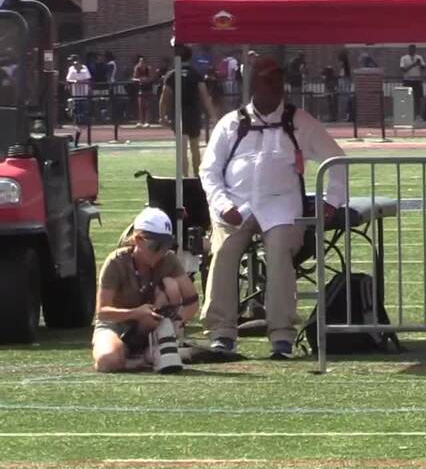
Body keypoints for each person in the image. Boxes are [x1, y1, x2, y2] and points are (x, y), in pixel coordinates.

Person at [199, 56, 347, 359]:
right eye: (268, 80)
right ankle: (221, 332)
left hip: (282, 207)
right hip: (235, 205)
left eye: (279, 80)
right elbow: (209, 171)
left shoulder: (300, 122)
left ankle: (281, 335)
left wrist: (331, 201)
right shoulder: (230, 123)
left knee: (279, 252)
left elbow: (337, 160)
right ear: (254, 84)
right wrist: (222, 204)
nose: (276, 86)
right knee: (224, 251)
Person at [92, 208, 200, 373]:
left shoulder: (169, 260)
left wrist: (176, 323)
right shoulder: (116, 262)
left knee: (170, 285)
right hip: (116, 323)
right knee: (108, 360)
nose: (161, 252)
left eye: (167, 245)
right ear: (138, 240)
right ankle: (140, 357)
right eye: (156, 246)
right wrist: (136, 313)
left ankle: (152, 348)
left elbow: (192, 300)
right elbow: (102, 313)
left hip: (150, 325)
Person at [160, 44, 219, 177]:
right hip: (193, 114)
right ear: (190, 57)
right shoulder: (195, 74)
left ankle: (184, 178)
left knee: (181, 149)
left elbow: (164, 98)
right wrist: (212, 115)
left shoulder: (171, 75)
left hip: (178, 114)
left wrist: (162, 116)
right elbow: (204, 96)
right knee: (195, 148)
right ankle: (198, 178)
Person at [400, 44, 426, 118]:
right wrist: (414, 64)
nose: (412, 50)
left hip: (417, 81)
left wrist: (420, 64)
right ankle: (407, 114)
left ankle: (418, 115)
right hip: (408, 81)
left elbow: (424, 68)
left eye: (413, 49)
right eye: (410, 49)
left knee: (418, 98)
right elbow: (403, 69)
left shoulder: (419, 57)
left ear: (415, 50)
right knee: (407, 98)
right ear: (408, 50)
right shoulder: (404, 58)